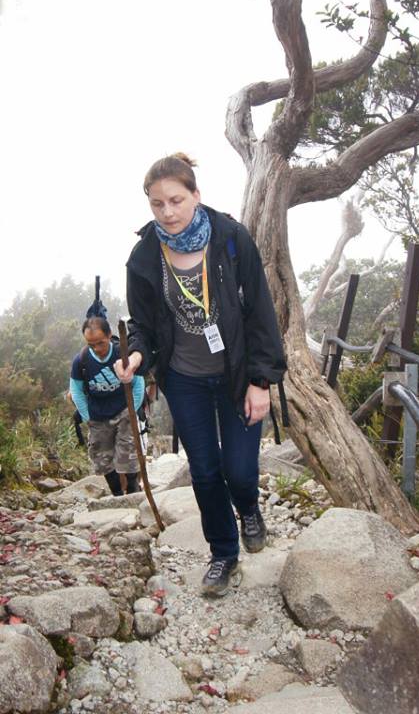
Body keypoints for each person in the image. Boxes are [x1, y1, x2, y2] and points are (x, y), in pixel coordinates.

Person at [114, 153, 286, 596]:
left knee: (241, 471)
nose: (167, 212)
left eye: (176, 199)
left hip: (236, 374)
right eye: (157, 204)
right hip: (184, 378)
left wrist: (260, 380)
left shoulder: (231, 239)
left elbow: (261, 315)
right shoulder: (145, 257)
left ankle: (248, 506)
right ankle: (224, 555)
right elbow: (143, 326)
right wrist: (134, 357)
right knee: (206, 472)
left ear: (196, 195)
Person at [70, 312, 145, 496]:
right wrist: (88, 416)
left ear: (109, 334)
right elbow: (76, 390)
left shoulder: (122, 353)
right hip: (98, 415)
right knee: (102, 458)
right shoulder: (81, 361)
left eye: (101, 343)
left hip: (123, 410)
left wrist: (131, 410)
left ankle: (133, 490)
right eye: (91, 344)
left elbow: (138, 382)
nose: (97, 348)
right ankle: (117, 494)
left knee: (127, 451)